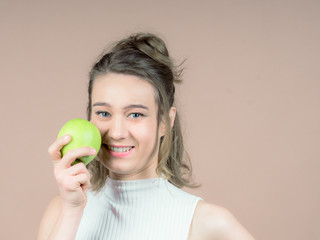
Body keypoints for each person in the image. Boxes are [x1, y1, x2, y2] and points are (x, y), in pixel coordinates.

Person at [37, 33, 255, 240]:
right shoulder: (62, 210)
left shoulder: (208, 223)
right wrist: (72, 211)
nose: (117, 133)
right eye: (104, 113)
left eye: (135, 114)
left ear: (165, 122)